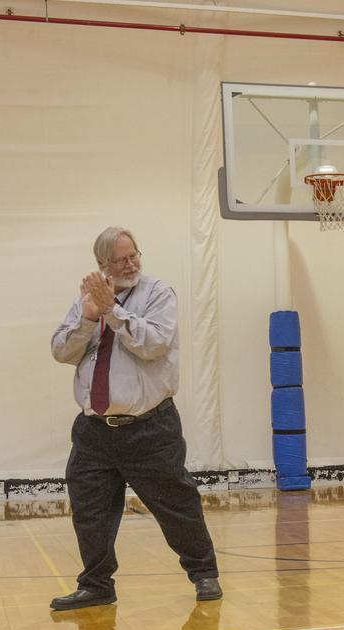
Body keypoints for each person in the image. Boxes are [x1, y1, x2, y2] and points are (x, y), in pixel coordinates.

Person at [48, 226, 223, 610]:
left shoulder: (158, 293)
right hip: (95, 431)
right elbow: (61, 351)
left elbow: (154, 344)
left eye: (134, 255)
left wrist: (111, 311)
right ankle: (96, 585)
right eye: (121, 259)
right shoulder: (87, 300)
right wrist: (87, 317)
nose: (131, 264)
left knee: (176, 505)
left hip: (149, 428)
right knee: (90, 510)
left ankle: (204, 573)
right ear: (102, 264)